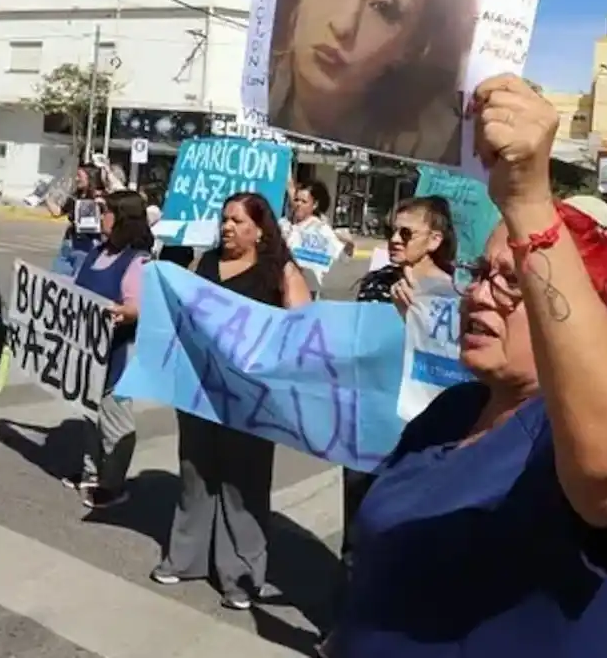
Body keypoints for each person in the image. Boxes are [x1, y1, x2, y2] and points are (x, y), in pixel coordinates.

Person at [328, 74, 607, 658]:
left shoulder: (577, 436)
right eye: (482, 273)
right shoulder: (455, 410)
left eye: (514, 282)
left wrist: (525, 200)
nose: (483, 295)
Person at [151, 192, 311, 610]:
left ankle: (241, 574)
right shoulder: (205, 264)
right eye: (224, 220)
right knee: (195, 473)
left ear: (260, 229)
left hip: (251, 399)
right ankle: (185, 558)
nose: (227, 228)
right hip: (200, 389)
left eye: (238, 221)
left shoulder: (278, 271)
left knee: (244, 483)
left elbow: (303, 327)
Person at [319, 195, 456, 656]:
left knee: (402, 538)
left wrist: (413, 318)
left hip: (416, 433)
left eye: (406, 234)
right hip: (364, 422)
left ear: (434, 240)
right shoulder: (375, 282)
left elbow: (449, 369)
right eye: (392, 231)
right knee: (356, 536)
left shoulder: (452, 297)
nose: (394, 241)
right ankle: (345, 632)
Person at [268, 0, 477, 163]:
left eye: (384, 7)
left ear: (412, 47)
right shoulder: (244, 87)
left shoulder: (435, 147)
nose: (343, 24)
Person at [60, 190, 153, 509]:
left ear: (123, 218)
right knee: (89, 414)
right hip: (88, 351)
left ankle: (113, 484)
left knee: (116, 422)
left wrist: (121, 313)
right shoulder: (97, 252)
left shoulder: (137, 261)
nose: (101, 218)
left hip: (116, 352)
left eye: (107, 212)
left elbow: (139, 307)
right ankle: (90, 473)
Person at [281, 178, 354, 297]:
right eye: (296, 200)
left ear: (314, 205)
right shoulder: (283, 224)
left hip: (307, 292)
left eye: (304, 201)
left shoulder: (321, 229)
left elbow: (344, 257)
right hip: (281, 287)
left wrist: (350, 244)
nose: (298, 204)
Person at [45, 164, 101, 276]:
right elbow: (58, 213)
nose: (76, 179)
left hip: (86, 245)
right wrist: (46, 198)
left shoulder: (99, 198)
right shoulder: (76, 196)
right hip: (69, 243)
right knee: (56, 277)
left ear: (90, 177)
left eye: (79, 176)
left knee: (78, 280)